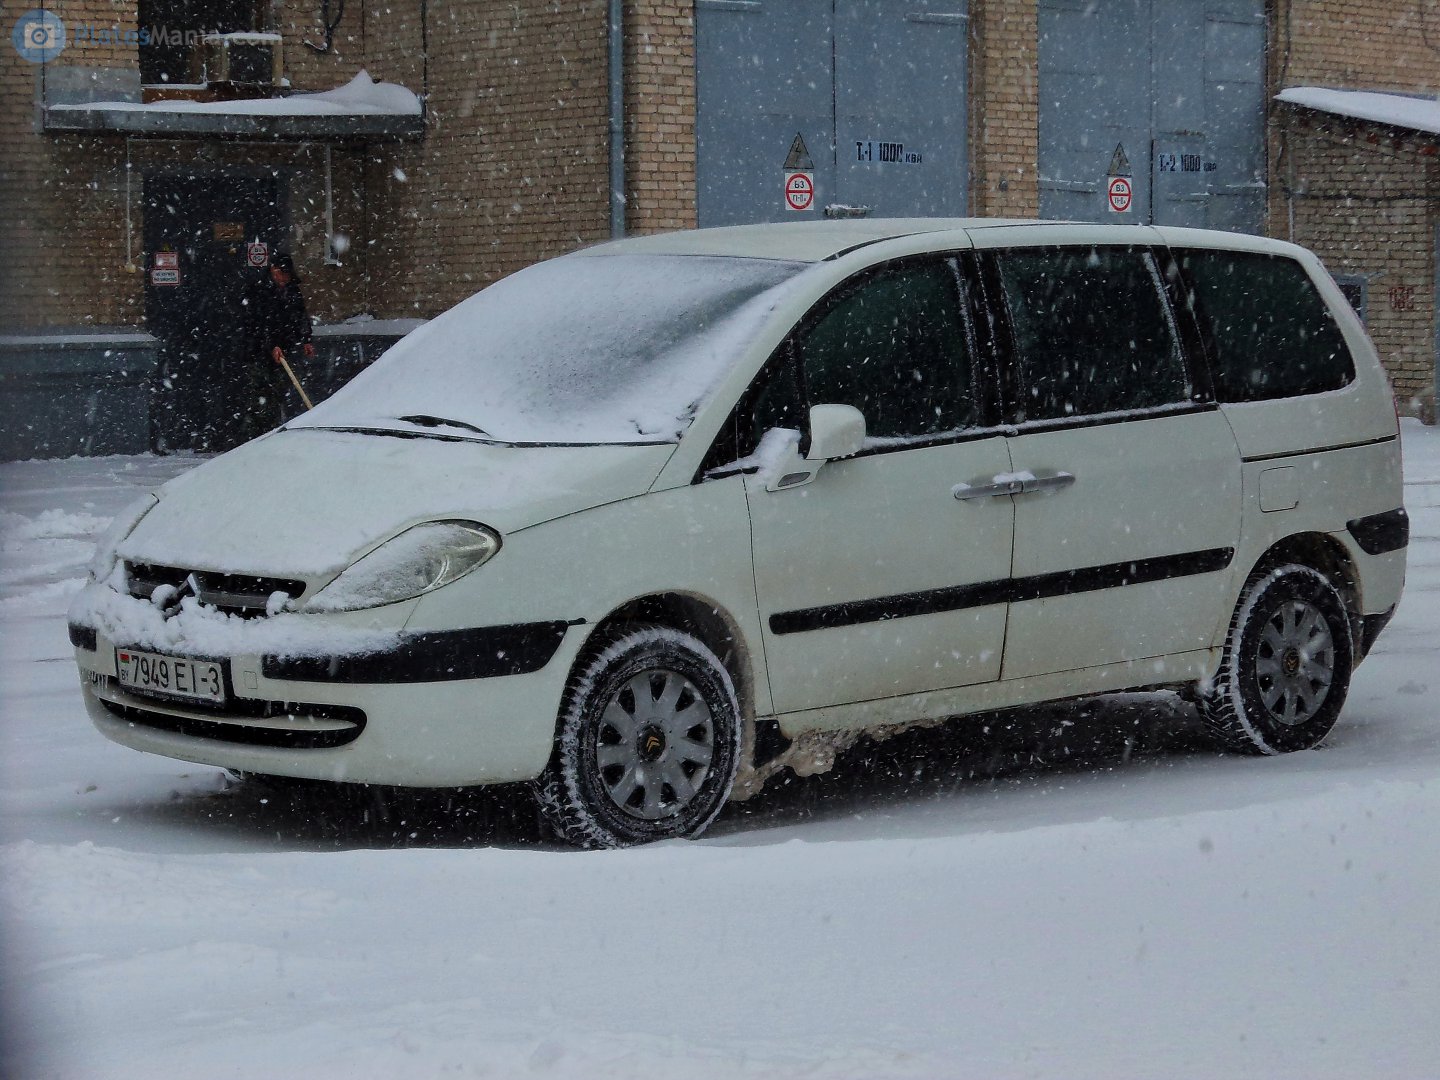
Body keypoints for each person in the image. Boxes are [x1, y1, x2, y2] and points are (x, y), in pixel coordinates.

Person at [240, 251, 316, 443]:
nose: (283, 278)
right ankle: (255, 438)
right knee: (259, 397)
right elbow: (258, 323)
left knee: (278, 394)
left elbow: (300, 315)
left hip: (284, 351)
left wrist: (306, 339)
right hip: (259, 353)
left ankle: (272, 434)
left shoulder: (292, 290)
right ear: (273, 270)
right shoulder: (260, 291)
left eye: (286, 275)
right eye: (280, 274)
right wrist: (271, 345)